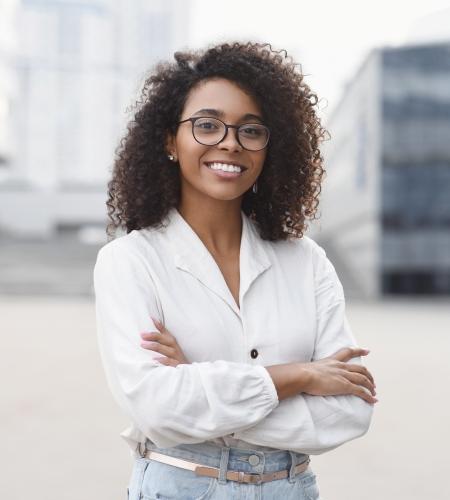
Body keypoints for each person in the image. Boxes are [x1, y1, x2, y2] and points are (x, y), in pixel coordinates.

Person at [93, 41, 377, 500]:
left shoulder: (306, 262)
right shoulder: (130, 261)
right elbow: (156, 406)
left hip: (291, 489)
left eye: (251, 130)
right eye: (206, 125)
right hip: (181, 487)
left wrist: (201, 382)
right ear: (170, 139)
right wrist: (297, 377)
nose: (229, 142)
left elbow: (349, 411)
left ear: (269, 147)